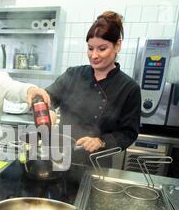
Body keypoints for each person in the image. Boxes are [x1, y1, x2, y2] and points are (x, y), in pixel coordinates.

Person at [43, 11, 141, 165]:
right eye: (90, 48)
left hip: (97, 163)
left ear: (118, 45)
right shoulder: (73, 74)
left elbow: (129, 133)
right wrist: (46, 111)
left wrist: (101, 141)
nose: (94, 55)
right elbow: (45, 98)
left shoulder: (129, 88)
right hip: (60, 157)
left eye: (102, 49)